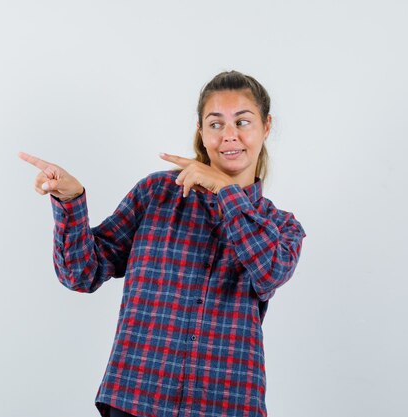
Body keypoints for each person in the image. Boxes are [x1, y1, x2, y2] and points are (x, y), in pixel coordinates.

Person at [19, 70, 307, 417]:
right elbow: (80, 273)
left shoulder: (281, 226)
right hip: (136, 398)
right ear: (201, 132)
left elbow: (269, 272)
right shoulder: (157, 193)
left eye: (242, 122)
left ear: (266, 127)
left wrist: (225, 190)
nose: (230, 136)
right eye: (215, 124)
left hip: (225, 405)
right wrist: (71, 201)